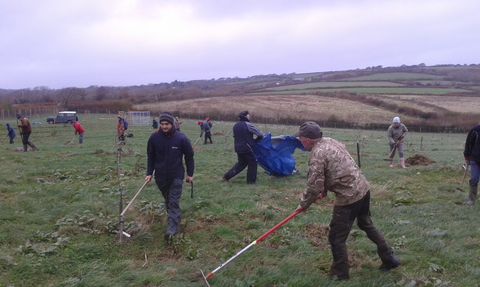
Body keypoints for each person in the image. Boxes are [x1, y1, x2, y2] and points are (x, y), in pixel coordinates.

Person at [293, 121, 400, 280]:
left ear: (307, 139)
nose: (299, 142)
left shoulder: (317, 154)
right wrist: (325, 189)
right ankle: (390, 258)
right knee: (365, 223)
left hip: (349, 196)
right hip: (363, 187)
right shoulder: (331, 141)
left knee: (336, 237)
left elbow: (313, 185)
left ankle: (340, 275)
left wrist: (303, 205)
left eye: (300, 139)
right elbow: (335, 168)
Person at [145, 111, 194, 241]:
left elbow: (189, 157)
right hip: (160, 176)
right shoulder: (154, 138)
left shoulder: (181, 138)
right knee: (168, 200)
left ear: (172, 124)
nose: (164, 126)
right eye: (162, 124)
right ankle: (176, 217)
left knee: (173, 201)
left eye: (167, 124)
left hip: (176, 175)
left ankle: (172, 229)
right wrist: (149, 173)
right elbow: (151, 157)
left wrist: (190, 174)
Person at [222, 111, 263, 184]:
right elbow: (260, 134)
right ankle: (251, 182)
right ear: (246, 116)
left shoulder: (235, 125)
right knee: (253, 162)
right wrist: (255, 141)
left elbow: (234, 136)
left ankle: (226, 176)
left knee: (241, 163)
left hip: (237, 147)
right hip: (247, 147)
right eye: (249, 116)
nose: (249, 117)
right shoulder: (248, 125)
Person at [463, 122, 480, 205]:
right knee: (474, 180)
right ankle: (471, 200)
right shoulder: (475, 130)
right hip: (475, 159)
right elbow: (469, 144)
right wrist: (467, 156)